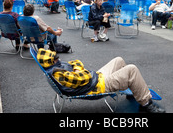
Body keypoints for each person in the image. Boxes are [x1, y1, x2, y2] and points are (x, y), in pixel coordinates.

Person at [36, 48, 165, 113]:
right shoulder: (58, 74)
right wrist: (78, 69)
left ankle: (132, 87)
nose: (58, 59)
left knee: (118, 60)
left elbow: (76, 63)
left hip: (96, 78)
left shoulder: (55, 67)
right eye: (55, 58)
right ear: (51, 61)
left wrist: (77, 68)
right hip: (97, 86)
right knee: (132, 69)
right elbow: (83, 75)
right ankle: (145, 104)